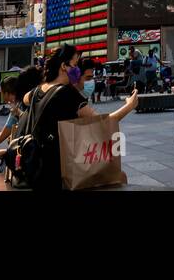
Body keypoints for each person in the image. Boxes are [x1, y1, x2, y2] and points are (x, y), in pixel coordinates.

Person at [23, 44, 139, 190]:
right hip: (61, 170)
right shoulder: (67, 93)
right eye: (75, 64)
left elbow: (25, 99)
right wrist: (129, 105)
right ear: (64, 66)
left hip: (35, 167)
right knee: (119, 176)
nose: (77, 69)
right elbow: (104, 122)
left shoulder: (37, 91)